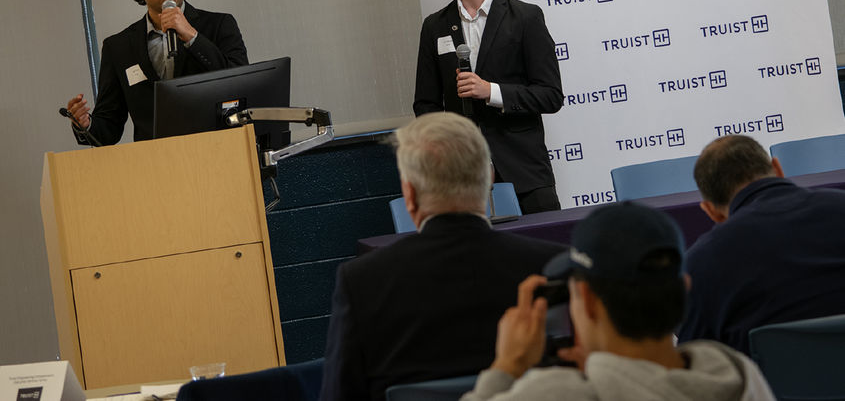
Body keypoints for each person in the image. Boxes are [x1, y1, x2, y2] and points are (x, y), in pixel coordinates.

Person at [319, 112, 565, 401]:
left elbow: (340, 394)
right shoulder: (552, 267)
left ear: (409, 194)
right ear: (489, 179)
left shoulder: (361, 282)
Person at [461, 202, 775, 401]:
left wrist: (507, 365)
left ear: (587, 300)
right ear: (684, 288)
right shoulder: (738, 374)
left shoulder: (558, 393)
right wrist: (606, 366)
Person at [413, 0, 563, 214]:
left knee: (545, 258)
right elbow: (426, 106)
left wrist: (491, 91)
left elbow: (550, 95)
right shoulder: (435, 27)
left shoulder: (526, 19)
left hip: (526, 177)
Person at [65, 0, 248, 145]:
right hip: (155, 165)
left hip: (216, 153)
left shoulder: (219, 25)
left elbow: (240, 87)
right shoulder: (118, 47)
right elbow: (108, 129)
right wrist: (85, 124)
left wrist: (192, 36)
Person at [678, 134, 845, 354]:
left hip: (778, 388)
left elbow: (697, 366)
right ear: (778, 168)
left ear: (711, 211)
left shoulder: (700, 264)